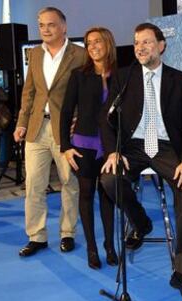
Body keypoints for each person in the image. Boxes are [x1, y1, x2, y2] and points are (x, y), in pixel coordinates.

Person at [99, 23, 182, 300]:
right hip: (133, 147)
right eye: (136, 43)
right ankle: (141, 222)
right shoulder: (124, 77)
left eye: (146, 42)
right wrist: (112, 152)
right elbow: (106, 120)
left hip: (168, 149)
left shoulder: (178, 80)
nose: (140, 48)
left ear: (161, 45)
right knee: (108, 179)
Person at [14, 7, 84, 257]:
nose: (45, 29)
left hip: (66, 131)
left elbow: (87, 94)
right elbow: (29, 92)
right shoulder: (34, 54)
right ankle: (37, 236)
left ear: (63, 27)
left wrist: (81, 122)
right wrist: (21, 122)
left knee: (69, 182)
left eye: (50, 24)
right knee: (33, 184)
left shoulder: (80, 55)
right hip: (36, 128)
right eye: (41, 25)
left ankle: (68, 233)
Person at [60, 27, 118, 269]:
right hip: (83, 146)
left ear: (108, 43)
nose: (92, 46)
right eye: (88, 42)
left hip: (111, 148)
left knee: (107, 195)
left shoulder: (122, 75)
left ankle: (109, 245)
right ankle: (92, 248)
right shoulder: (78, 75)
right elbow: (65, 112)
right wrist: (65, 146)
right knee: (86, 195)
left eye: (97, 41)